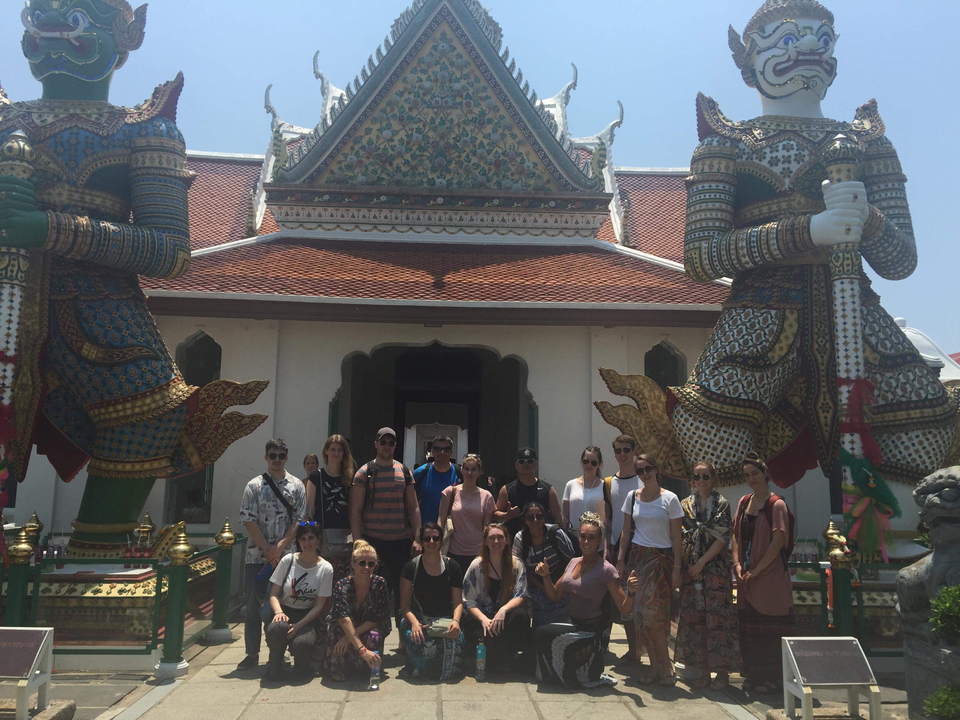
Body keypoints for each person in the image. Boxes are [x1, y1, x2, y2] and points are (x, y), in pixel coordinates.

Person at [534, 512, 639, 688]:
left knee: (545, 634)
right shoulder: (573, 562)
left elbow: (625, 610)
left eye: (591, 537)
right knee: (540, 636)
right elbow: (554, 596)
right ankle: (561, 673)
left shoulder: (606, 570)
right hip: (573, 625)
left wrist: (632, 593)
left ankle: (579, 669)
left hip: (592, 631)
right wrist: (545, 576)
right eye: (583, 537)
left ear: (599, 540)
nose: (586, 542)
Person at [238, 439, 307, 671]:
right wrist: (268, 549)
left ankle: (279, 651)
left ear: (287, 457)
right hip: (257, 558)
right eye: (272, 455)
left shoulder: (297, 486)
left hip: (286, 558)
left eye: (281, 455)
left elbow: (298, 520)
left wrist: (280, 547)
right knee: (252, 607)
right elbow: (248, 519)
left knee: (284, 605)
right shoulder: (253, 486)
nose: (276, 459)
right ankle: (251, 653)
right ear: (266, 457)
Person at [731, 452, 795, 695]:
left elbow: (778, 540)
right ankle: (753, 676)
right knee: (749, 630)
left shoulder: (776, 504)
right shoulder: (743, 501)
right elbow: (735, 533)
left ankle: (773, 680)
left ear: (765, 474)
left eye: (754, 474)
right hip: (747, 578)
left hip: (770, 577)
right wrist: (737, 563)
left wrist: (757, 569)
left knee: (771, 630)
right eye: (747, 475)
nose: (751, 479)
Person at [674, 461, 740, 691]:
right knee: (696, 622)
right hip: (692, 572)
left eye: (705, 476)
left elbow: (722, 538)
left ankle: (721, 674)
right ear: (691, 480)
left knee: (718, 621)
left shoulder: (721, 505)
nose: (701, 481)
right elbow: (680, 537)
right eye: (697, 477)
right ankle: (702, 671)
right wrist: (686, 564)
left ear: (713, 479)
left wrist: (702, 563)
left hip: (715, 571)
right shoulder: (685, 506)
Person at [618, 454, 683, 685]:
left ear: (656, 469)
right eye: (640, 471)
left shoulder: (671, 499)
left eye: (648, 469)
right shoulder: (632, 497)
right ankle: (655, 668)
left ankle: (666, 667)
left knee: (657, 617)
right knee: (642, 616)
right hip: (638, 559)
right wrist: (621, 560)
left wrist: (677, 569)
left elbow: (677, 536)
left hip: (661, 561)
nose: (644, 474)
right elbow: (626, 531)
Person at [350, 427, 421, 632]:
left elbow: (413, 507)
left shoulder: (404, 472)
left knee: (404, 593)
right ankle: (373, 639)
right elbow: (355, 510)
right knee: (373, 593)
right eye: (383, 442)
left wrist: (417, 538)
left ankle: (404, 643)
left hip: (400, 543)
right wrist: (357, 542)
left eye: (391, 443)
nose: (387, 446)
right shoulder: (365, 472)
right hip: (373, 542)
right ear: (376, 444)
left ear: (395, 446)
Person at [263, 521, 334, 680]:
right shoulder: (288, 560)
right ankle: (275, 663)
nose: (306, 543)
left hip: (307, 617)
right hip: (283, 611)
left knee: (302, 643)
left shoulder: (326, 568)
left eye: (311, 538)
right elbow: (273, 594)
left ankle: (302, 666)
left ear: (318, 540)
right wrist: (279, 612)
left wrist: (298, 625)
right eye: (303, 539)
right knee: (277, 629)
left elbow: (319, 606)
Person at [398, 523, 465, 680]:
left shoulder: (452, 567)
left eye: (436, 538)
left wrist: (456, 621)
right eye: (427, 538)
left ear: (441, 541)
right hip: (418, 618)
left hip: (445, 619)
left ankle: (442, 670)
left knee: (456, 640)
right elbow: (404, 606)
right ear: (421, 542)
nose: (431, 542)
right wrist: (414, 623)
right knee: (418, 638)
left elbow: (458, 602)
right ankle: (419, 668)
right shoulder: (411, 567)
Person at [462, 524, 530, 671]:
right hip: (483, 619)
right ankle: (498, 658)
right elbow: (468, 601)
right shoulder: (476, 565)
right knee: (485, 636)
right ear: (486, 542)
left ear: (506, 541)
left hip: (504, 618)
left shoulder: (516, 564)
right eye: (492, 538)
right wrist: (484, 619)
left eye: (500, 537)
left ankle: (505, 656)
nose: (496, 542)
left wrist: (504, 610)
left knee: (521, 616)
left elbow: (521, 594)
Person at [325, 540, 392, 682]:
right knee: (338, 631)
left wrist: (349, 639)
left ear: (376, 565)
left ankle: (370, 667)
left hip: (369, 626)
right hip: (347, 626)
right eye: (362, 563)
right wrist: (361, 649)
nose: (366, 567)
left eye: (371, 564)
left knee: (374, 636)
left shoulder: (380, 584)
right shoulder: (341, 585)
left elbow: (377, 618)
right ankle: (339, 668)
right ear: (353, 564)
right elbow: (343, 619)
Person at [603, 434, 641, 661]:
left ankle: (637, 651)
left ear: (634, 450)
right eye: (618, 450)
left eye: (627, 449)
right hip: (618, 546)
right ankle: (628, 650)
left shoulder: (644, 478)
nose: (623, 454)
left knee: (639, 598)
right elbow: (608, 518)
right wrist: (608, 548)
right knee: (619, 597)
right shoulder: (608, 483)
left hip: (642, 544)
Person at [513, 501, 575, 627]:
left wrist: (555, 588)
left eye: (539, 516)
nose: (535, 520)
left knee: (559, 601)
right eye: (530, 517)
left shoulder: (556, 534)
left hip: (560, 578)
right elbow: (519, 569)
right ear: (525, 520)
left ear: (545, 518)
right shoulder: (520, 539)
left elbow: (572, 563)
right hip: (534, 584)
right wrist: (545, 587)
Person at [306, 435, 356, 580]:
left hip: (345, 536)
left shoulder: (349, 478)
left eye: (339, 450)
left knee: (343, 582)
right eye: (332, 449)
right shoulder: (316, 477)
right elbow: (309, 509)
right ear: (326, 451)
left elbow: (352, 510)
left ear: (344, 453)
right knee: (322, 581)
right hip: (322, 537)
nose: (336, 453)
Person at [437, 453, 496, 570]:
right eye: (466, 469)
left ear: (480, 472)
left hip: (478, 552)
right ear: (462, 470)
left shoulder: (487, 496)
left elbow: (487, 528)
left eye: (474, 469)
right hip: (453, 551)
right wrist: (437, 543)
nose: (469, 473)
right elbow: (441, 519)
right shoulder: (450, 492)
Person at [497, 448, 562, 538]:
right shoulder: (506, 490)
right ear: (516, 465)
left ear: (536, 464)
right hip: (514, 541)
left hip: (542, 543)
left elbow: (557, 517)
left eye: (530, 461)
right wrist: (507, 515)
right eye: (521, 461)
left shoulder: (548, 489)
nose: (526, 464)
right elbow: (495, 515)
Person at [562, 446, 606, 541]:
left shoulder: (604, 486)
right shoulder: (571, 485)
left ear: (599, 464)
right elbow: (565, 515)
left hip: (596, 540)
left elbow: (608, 517)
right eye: (586, 461)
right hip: (574, 539)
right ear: (581, 461)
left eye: (593, 463)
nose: (589, 465)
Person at [413, 436, 459, 525]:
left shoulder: (460, 473)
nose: (442, 452)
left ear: (451, 452)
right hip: (426, 531)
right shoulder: (420, 473)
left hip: (454, 531)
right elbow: (410, 504)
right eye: (438, 449)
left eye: (446, 449)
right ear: (432, 451)